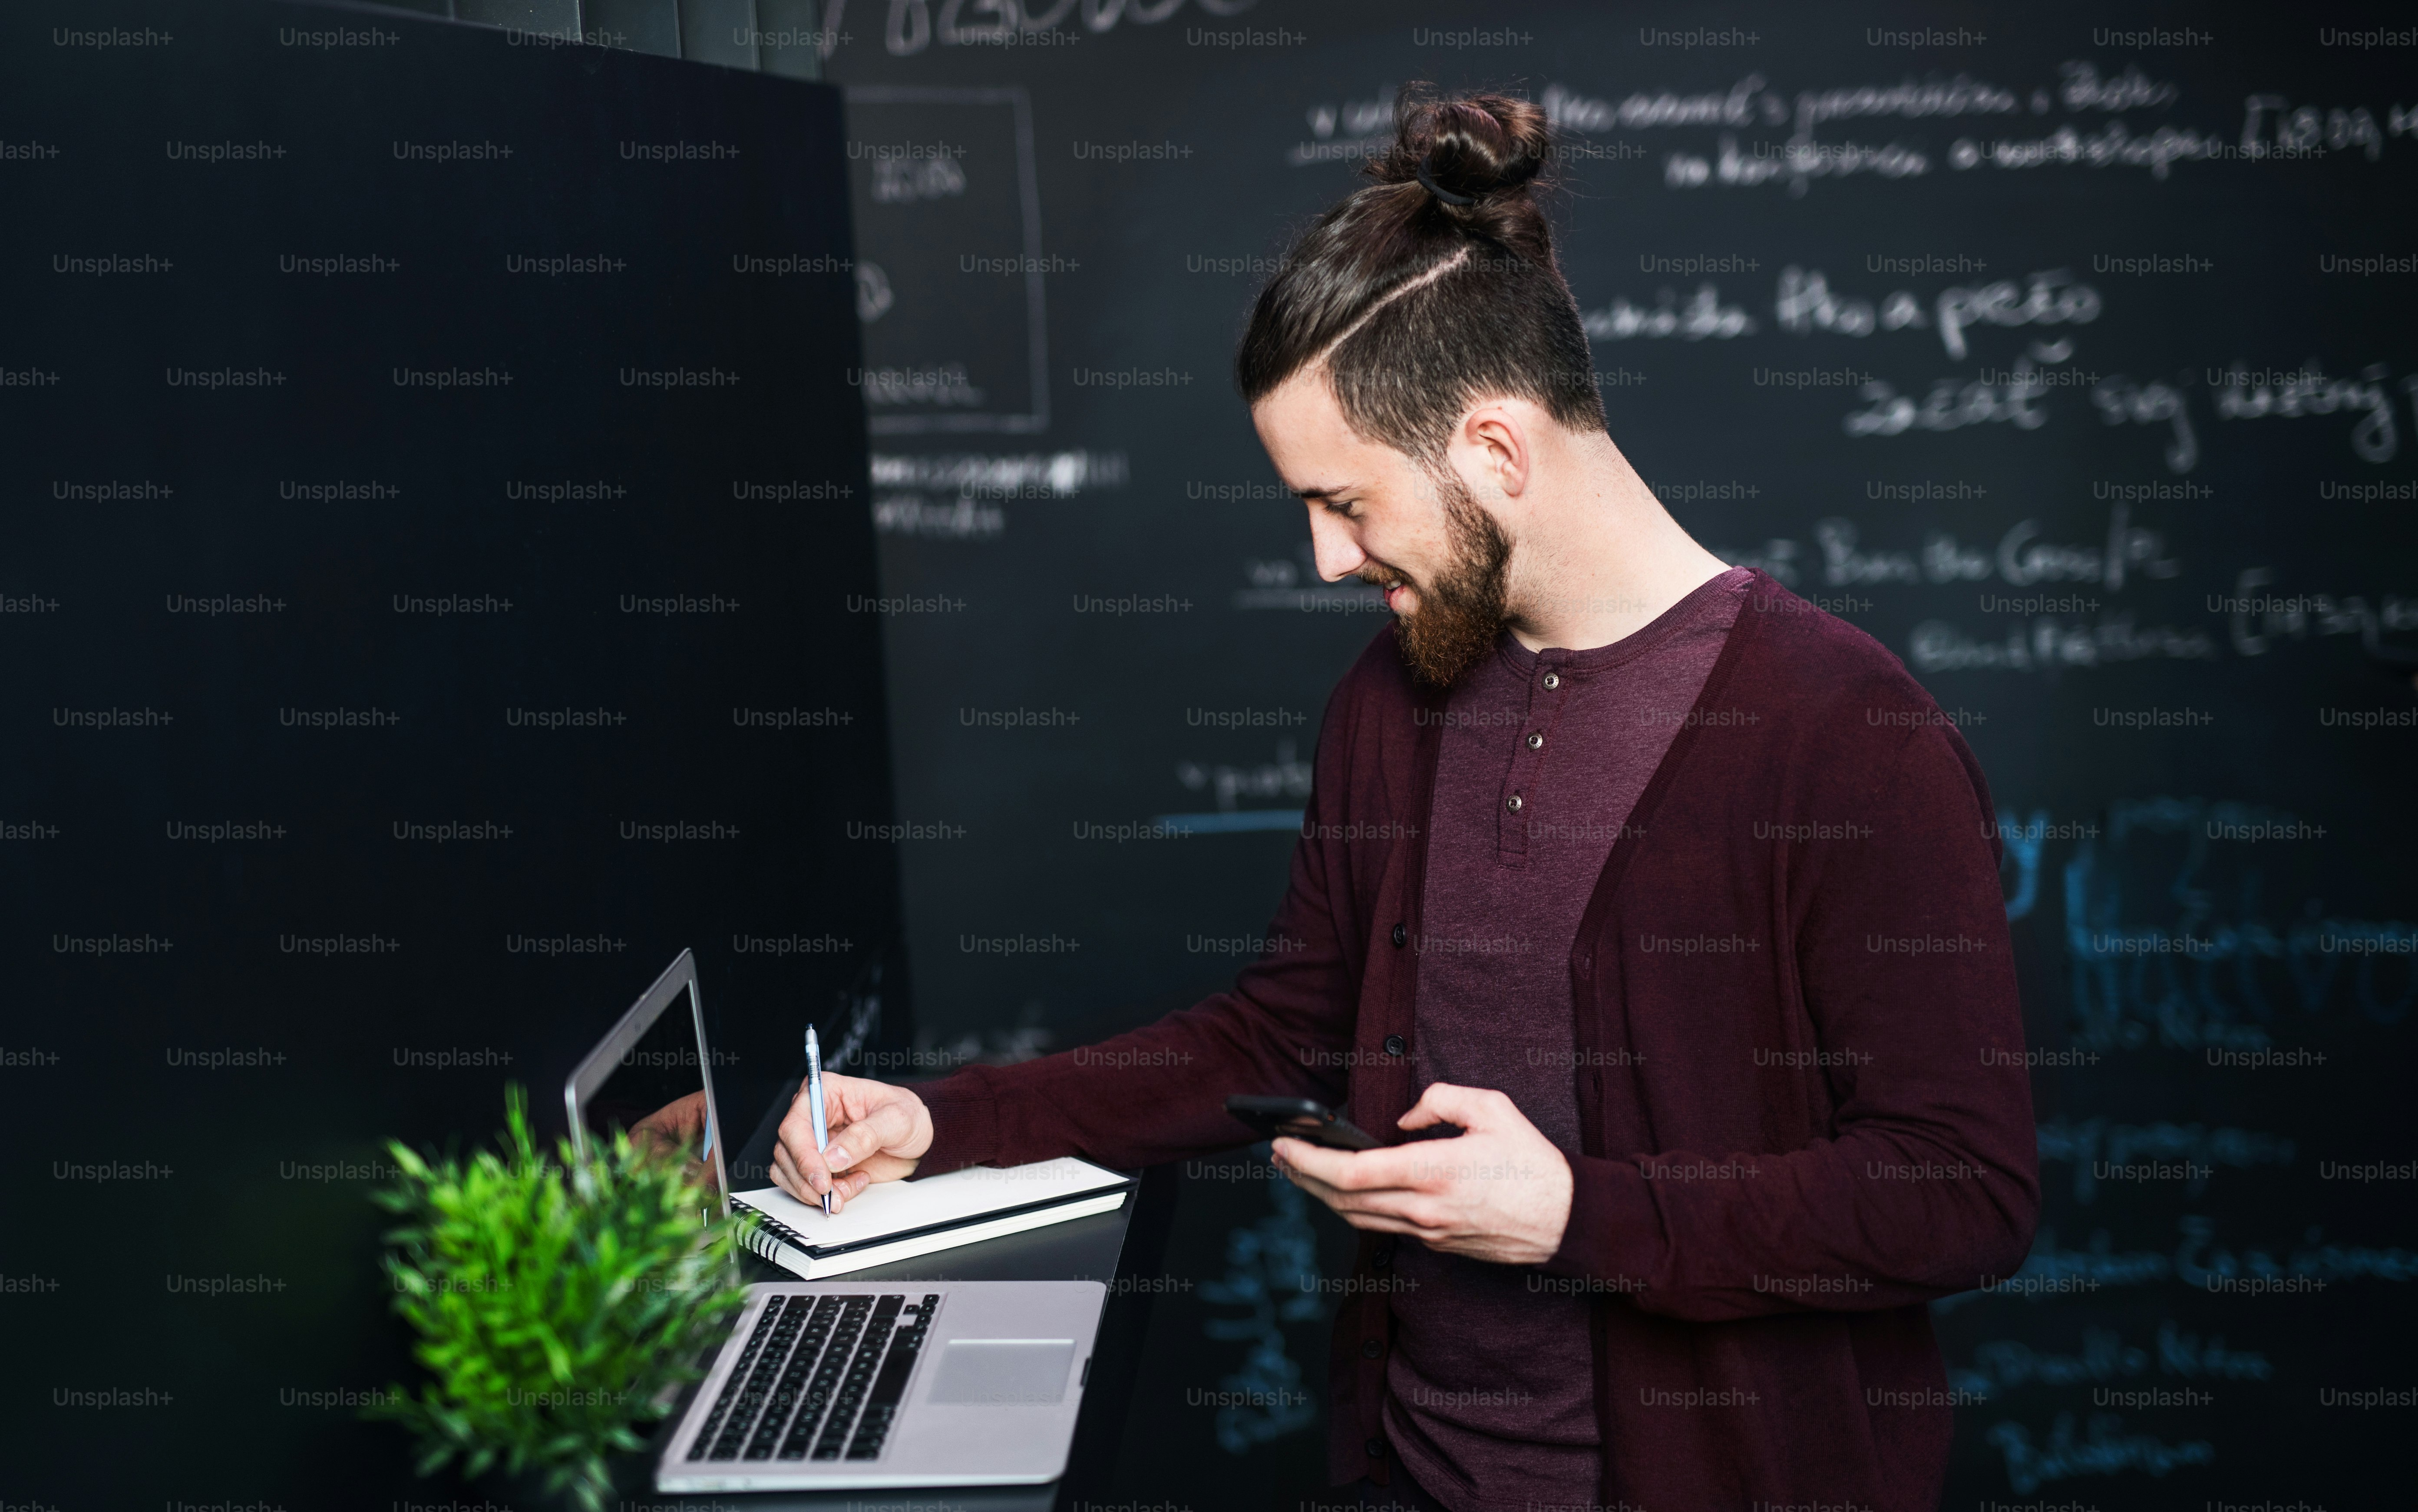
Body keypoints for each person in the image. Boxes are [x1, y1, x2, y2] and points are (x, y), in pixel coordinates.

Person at [768, 88, 2037, 1512]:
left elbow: (1960, 1192)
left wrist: (1573, 1213)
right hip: (1407, 1471)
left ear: (1494, 453)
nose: (1321, 558)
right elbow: (1284, 1028)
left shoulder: (1848, 737)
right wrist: (946, 1124)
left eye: (1347, 502)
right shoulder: (1393, 695)